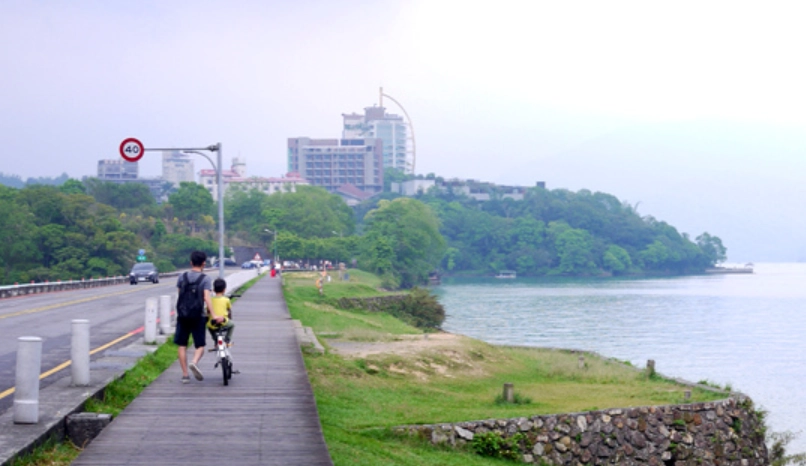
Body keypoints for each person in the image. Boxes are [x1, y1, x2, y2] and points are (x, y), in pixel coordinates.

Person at [175, 250, 214, 384]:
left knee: (182, 345)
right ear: (204, 263)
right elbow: (207, 298)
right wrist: (213, 315)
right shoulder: (206, 279)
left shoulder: (182, 277)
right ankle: (194, 362)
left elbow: (180, 295)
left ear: (191, 262)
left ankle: (185, 375)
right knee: (200, 345)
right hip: (198, 315)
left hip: (183, 315)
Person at [207, 277, 234, 347]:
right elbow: (229, 310)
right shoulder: (226, 300)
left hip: (213, 322)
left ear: (213, 290)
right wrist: (229, 319)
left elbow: (208, 311)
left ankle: (216, 340)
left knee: (209, 327)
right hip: (223, 321)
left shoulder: (210, 300)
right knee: (232, 325)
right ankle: (227, 340)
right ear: (224, 290)